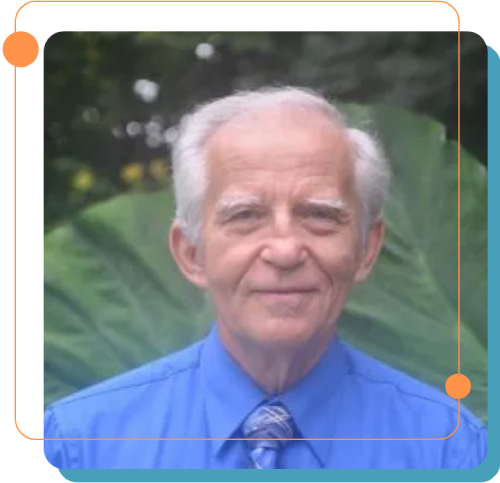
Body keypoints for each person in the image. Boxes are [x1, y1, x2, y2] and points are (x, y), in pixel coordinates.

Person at [43, 86, 487, 469]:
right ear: (192, 253)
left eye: (319, 215)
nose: (285, 249)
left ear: (367, 249)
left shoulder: (448, 449)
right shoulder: (81, 444)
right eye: (246, 216)